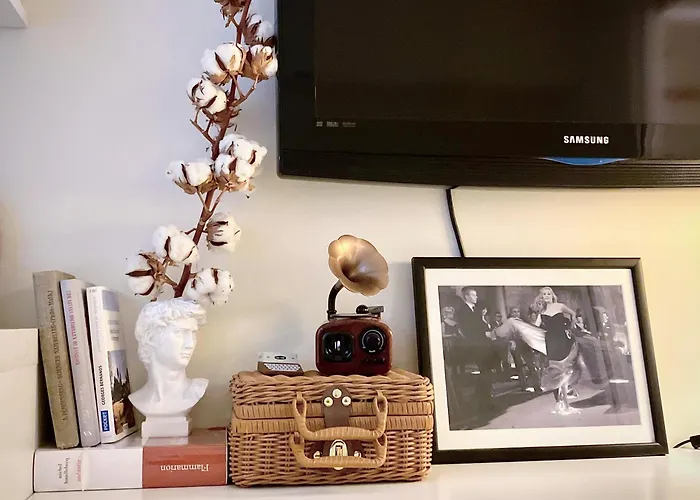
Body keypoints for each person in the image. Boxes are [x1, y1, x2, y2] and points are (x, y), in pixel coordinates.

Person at [129, 299, 209, 419]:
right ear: (151, 338)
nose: (190, 344)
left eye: (193, 334)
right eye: (180, 333)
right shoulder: (139, 399)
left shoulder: (196, 391)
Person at [532, 287, 581, 415]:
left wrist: (570, 327)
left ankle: (566, 403)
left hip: (563, 340)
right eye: (544, 294)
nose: (547, 296)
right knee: (555, 371)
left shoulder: (560, 306)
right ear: (541, 297)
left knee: (564, 370)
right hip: (551, 342)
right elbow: (535, 327)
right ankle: (560, 402)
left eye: (549, 294)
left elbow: (573, 314)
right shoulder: (541, 312)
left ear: (552, 295)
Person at [455, 287, 500, 415]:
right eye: (473, 295)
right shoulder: (463, 311)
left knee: (486, 373)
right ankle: (483, 402)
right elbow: (468, 330)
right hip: (476, 346)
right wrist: (484, 333)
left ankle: (484, 400)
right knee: (485, 373)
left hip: (483, 345)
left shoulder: (475, 310)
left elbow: (481, 325)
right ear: (466, 296)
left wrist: (483, 319)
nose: (476, 297)